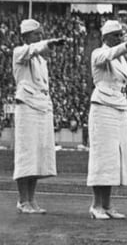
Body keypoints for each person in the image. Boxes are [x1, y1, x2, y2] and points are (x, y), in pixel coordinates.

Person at [87, 20, 127, 220]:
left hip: (119, 104)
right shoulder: (98, 53)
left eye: (121, 35)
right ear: (106, 37)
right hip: (102, 105)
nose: (120, 39)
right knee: (102, 156)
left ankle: (107, 204)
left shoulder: (122, 60)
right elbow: (107, 55)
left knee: (114, 157)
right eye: (116, 36)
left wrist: (123, 47)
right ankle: (96, 205)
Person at [12, 19, 66, 214]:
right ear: (26, 36)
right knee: (26, 153)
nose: (39, 37)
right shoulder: (19, 52)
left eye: (40, 34)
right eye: (36, 34)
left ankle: (31, 199)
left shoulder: (42, 60)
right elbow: (32, 49)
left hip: (42, 106)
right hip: (26, 105)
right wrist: (50, 43)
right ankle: (22, 200)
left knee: (37, 154)